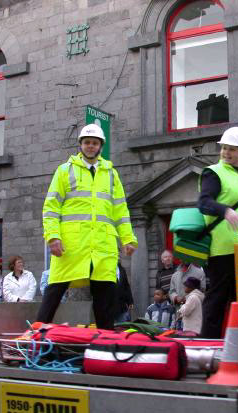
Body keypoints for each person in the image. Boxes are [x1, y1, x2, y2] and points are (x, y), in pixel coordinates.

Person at [37, 124, 138, 329]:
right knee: (55, 289)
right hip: (71, 244)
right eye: (87, 142)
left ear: (101, 146)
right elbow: (51, 206)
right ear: (80, 145)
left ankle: (104, 343)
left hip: (102, 246)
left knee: (105, 295)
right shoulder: (65, 171)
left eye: (94, 143)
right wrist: (52, 236)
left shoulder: (111, 174)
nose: (90, 146)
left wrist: (127, 238)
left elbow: (120, 209)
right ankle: (35, 336)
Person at [197, 126, 238, 338]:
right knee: (217, 300)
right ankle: (208, 345)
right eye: (224, 148)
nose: (226, 152)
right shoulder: (214, 172)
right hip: (223, 250)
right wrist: (224, 210)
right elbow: (204, 203)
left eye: (232, 149)